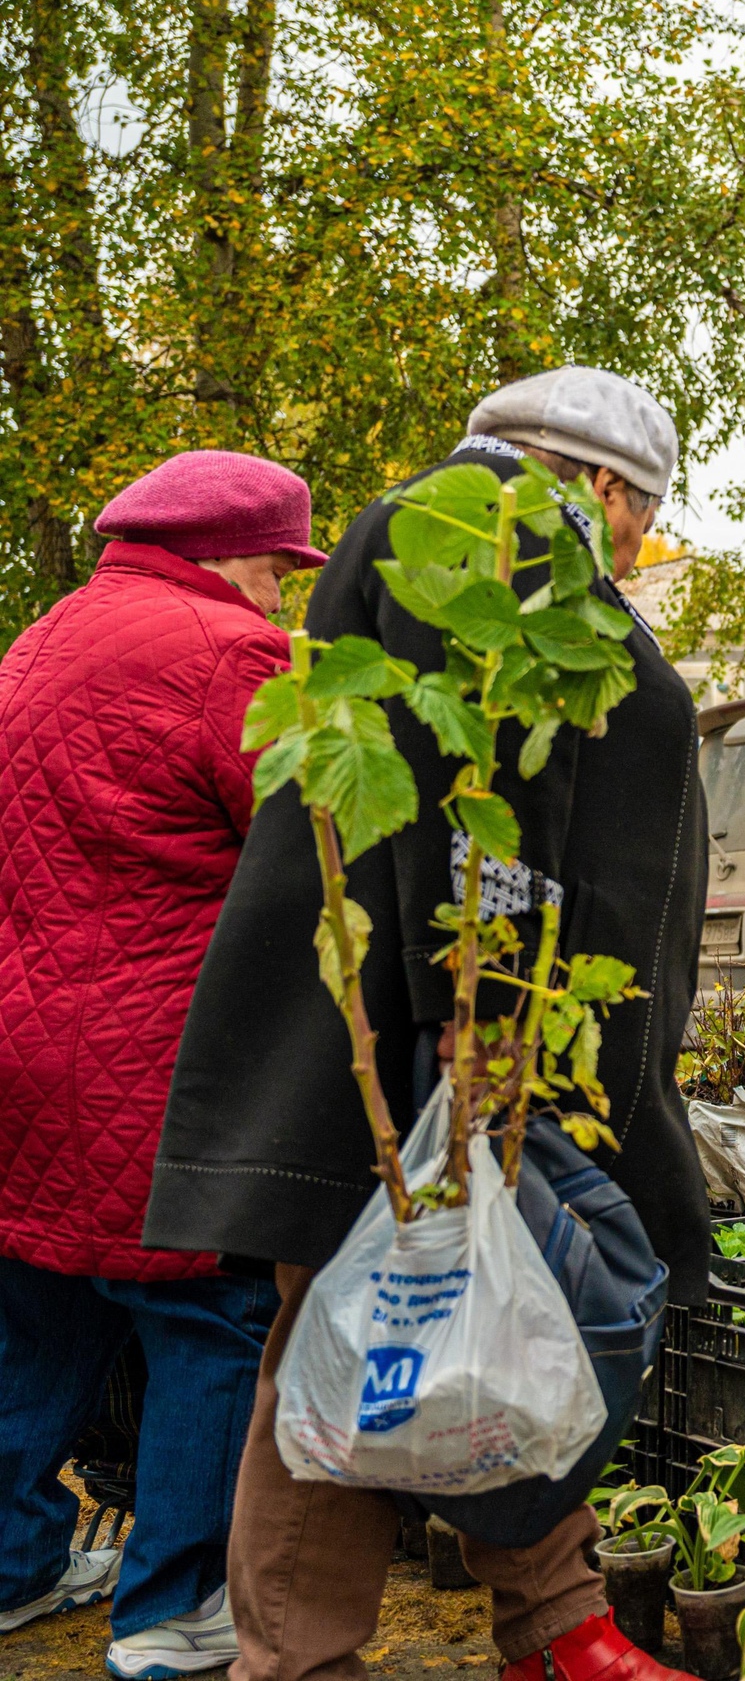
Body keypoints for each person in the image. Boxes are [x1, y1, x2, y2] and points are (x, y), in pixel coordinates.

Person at [143, 368, 711, 1681]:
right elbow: (487, 789)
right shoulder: (483, 532)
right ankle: (301, 1653)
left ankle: (554, 1619)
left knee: (475, 1318)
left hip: (457, 1031)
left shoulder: (488, 538)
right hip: (438, 1038)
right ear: (602, 482)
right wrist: (494, 1009)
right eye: (639, 520)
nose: (633, 552)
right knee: (356, 1335)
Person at [0, 451, 325, 1675]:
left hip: (21, 1052)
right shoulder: (228, 655)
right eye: (277, 571)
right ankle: (171, 1611)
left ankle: (14, 1565)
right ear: (228, 552)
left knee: (37, 1319)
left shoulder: (37, 641)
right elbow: (311, 847)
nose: (282, 597)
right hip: (157, 1063)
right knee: (212, 1320)